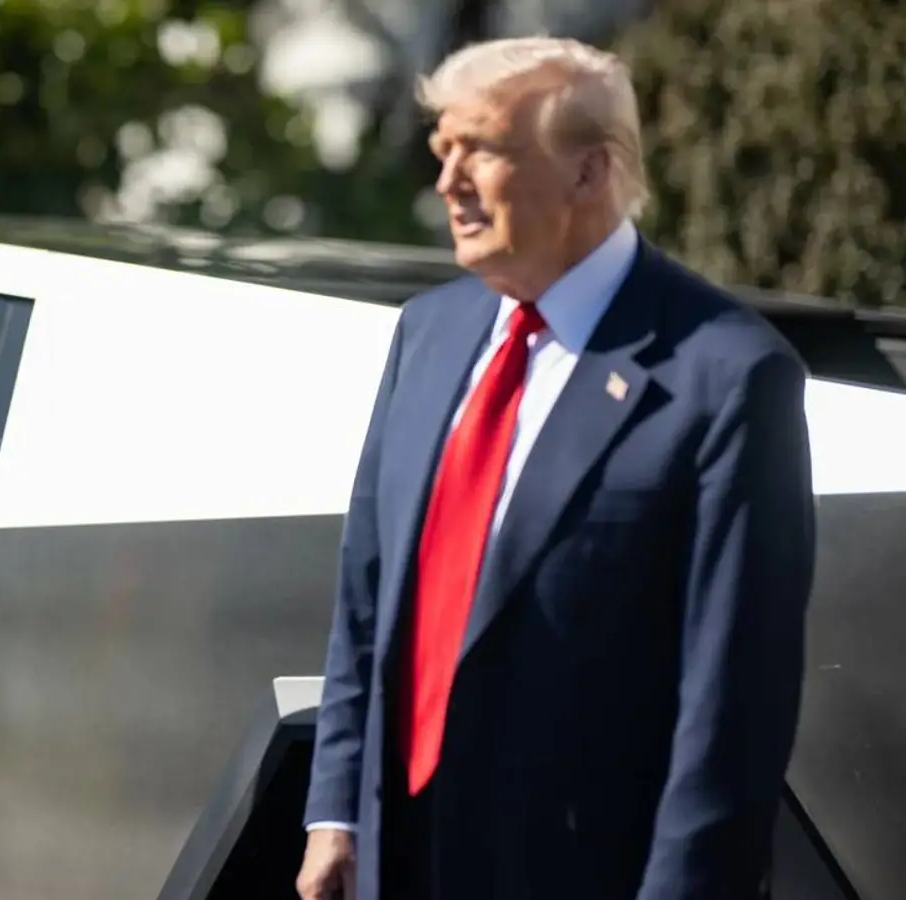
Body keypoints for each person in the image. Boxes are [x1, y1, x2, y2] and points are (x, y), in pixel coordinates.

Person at [296, 36, 815, 900]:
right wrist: (337, 812)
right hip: (402, 856)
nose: (448, 182)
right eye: (443, 150)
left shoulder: (727, 374)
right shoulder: (428, 333)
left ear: (589, 172)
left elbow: (735, 707)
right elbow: (368, 595)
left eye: (482, 150)